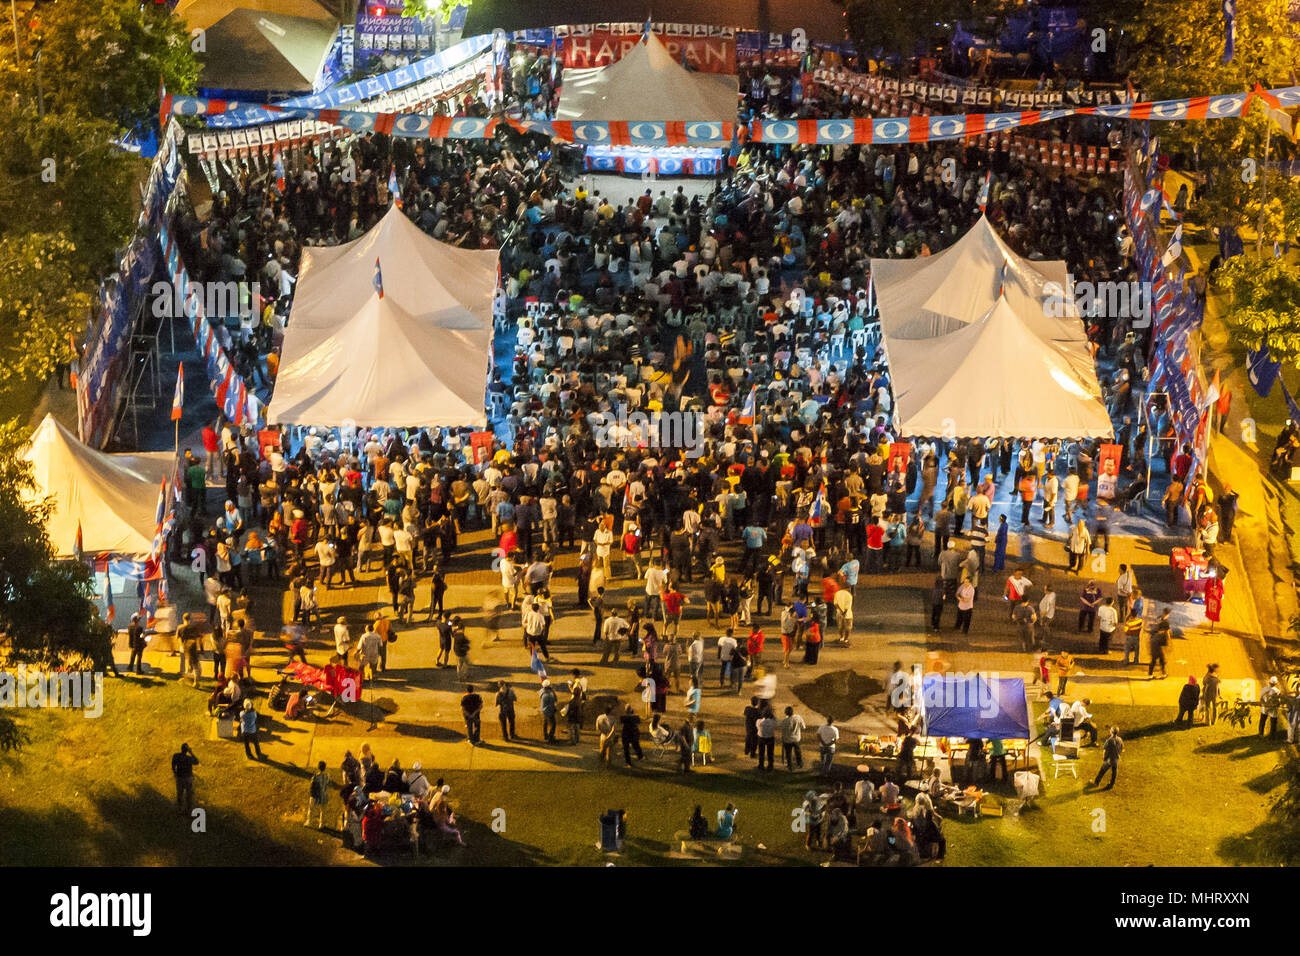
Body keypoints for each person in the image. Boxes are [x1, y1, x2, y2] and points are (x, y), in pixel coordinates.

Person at [171, 743, 198, 814]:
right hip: (188, 778)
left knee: (180, 794)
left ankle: (180, 809)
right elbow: (197, 761)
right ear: (187, 750)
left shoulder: (176, 756)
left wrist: (175, 773)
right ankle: (188, 810)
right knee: (189, 795)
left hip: (180, 777)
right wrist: (191, 752)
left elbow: (173, 765)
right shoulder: (188, 758)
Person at [780, 705, 806, 771]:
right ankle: (799, 764)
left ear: (786, 713)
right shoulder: (798, 717)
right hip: (796, 739)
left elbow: (783, 732)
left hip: (787, 740)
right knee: (798, 752)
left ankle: (790, 766)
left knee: (788, 753)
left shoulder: (784, 721)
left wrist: (783, 739)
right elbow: (803, 727)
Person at [306, 761, 331, 828]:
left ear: (318, 767)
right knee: (323, 811)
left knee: (311, 809)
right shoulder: (327, 777)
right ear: (324, 768)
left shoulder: (315, 777)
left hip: (315, 795)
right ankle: (321, 824)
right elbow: (328, 784)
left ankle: (309, 822)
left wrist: (312, 795)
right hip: (324, 795)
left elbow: (312, 787)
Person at [756, 706, 778, 770]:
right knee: (770, 753)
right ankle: (770, 765)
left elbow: (757, 727)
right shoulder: (773, 722)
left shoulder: (759, 721)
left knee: (761, 753)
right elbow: (777, 724)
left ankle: (761, 765)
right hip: (770, 738)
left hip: (761, 738)